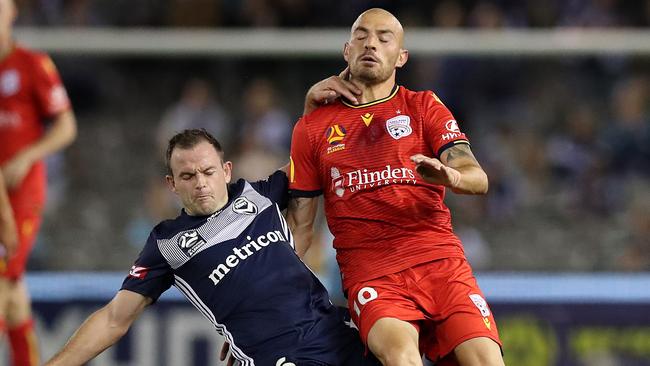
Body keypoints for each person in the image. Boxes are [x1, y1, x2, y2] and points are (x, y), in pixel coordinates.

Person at [45, 129, 380, 366]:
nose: (201, 183)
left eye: (207, 171)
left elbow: (317, 148)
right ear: (171, 184)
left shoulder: (260, 194)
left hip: (336, 333)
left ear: (226, 170)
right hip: (278, 355)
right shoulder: (167, 244)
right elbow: (113, 319)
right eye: (188, 176)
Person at [287, 8, 504, 366]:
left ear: (401, 57)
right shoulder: (312, 128)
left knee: (485, 360)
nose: (371, 43)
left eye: (384, 37)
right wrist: (264, 312)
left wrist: (452, 177)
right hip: (372, 271)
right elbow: (301, 231)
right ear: (347, 50)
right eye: (361, 35)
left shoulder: (424, 107)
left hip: (441, 263)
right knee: (402, 358)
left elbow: (477, 177)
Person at [0, 0, 78, 364]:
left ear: (13, 12)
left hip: (20, 194)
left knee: (3, 274)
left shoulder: (32, 64)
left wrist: (27, 156)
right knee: (13, 296)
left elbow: (66, 126)